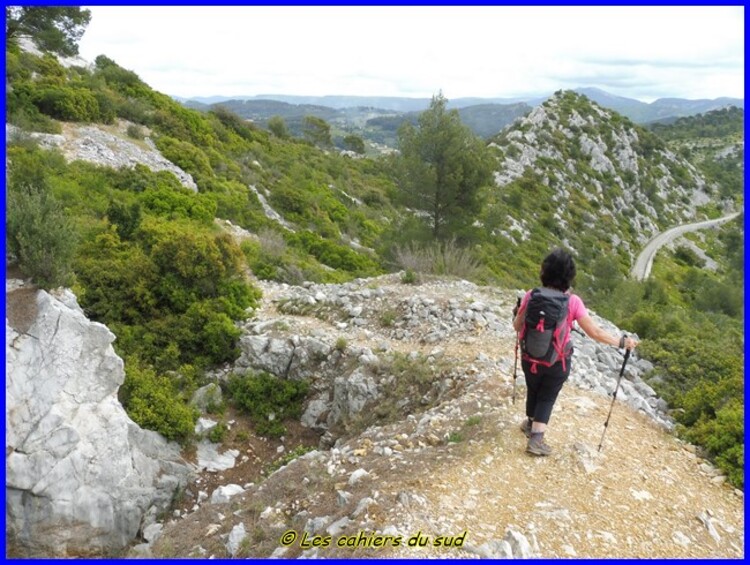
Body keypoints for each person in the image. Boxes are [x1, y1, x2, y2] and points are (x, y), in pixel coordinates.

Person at [512, 248, 638, 456]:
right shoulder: (572, 302)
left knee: (534, 388)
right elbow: (594, 332)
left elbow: (517, 326)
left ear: (544, 272)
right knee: (547, 396)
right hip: (557, 362)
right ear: (569, 277)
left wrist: (517, 313)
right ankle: (536, 439)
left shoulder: (530, 295)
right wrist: (621, 342)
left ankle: (530, 423)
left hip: (529, 357)